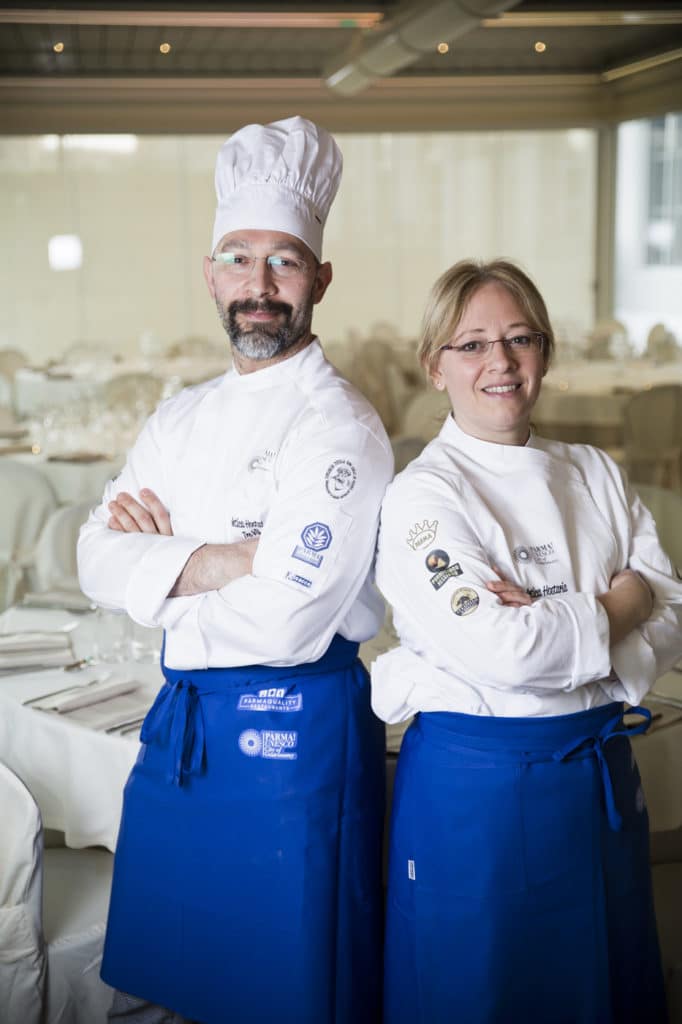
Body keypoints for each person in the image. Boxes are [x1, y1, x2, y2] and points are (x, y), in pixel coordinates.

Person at [77, 116, 393, 1024]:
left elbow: (288, 622)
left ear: (320, 278)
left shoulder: (339, 425)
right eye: (237, 258)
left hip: (294, 744)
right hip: (184, 731)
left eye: (284, 261)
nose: (259, 286)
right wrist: (225, 561)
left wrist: (160, 582)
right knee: (183, 985)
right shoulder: (178, 419)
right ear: (210, 274)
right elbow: (93, 555)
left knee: (295, 992)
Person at [372, 258, 682, 1024]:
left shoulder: (595, 470)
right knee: (482, 999)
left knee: (607, 993)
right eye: (471, 344)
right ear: (433, 366)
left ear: (545, 353)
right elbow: (509, 651)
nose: (500, 363)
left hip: (599, 778)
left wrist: (573, 618)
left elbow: (672, 604)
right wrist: (619, 601)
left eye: (519, 339)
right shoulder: (424, 494)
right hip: (476, 794)